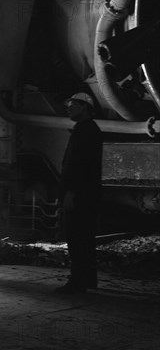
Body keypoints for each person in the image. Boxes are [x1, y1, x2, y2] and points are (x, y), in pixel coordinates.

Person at [55, 92, 103, 294]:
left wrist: (72, 192)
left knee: (77, 237)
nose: (69, 107)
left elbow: (80, 165)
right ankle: (88, 279)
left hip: (80, 193)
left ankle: (78, 282)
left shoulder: (85, 131)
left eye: (73, 104)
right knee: (85, 237)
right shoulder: (88, 129)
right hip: (86, 193)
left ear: (84, 106)